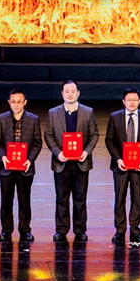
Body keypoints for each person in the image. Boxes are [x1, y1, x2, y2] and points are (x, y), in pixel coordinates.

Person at [44, 80, 100, 242]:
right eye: (66, 91)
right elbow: (48, 135)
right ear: (62, 93)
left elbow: (94, 134)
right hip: (61, 163)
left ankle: (80, 230)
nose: (70, 94)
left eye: (73, 91)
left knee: (80, 198)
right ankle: (61, 230)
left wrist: (86, 152)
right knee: (61, 198)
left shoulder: (87, 112)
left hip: (81, 163)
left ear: (78, 93)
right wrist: (58, 152)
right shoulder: (53, 113)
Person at [105, 87, 140, 244]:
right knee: (119, 198)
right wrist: (118, 159)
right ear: (123, 101)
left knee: (137, 198)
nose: (132, 102)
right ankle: (120, 230)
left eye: (135, 100)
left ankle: (135, 230)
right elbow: (109, 141)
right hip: (120, 165)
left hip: (139, 165)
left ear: (139, 101)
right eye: (129, 100)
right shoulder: (115, 117)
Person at [0, 88, 43, 242]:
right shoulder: (1, 119)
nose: (16, 104)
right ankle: (6, 230)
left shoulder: (33, 119)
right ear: (9, 102)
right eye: (13, 102)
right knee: (6, 200)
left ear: (25, 102)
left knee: (24, 200)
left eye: (19, 102)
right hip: (7, 167)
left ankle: (25, 230)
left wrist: (30, 160)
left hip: (25, 167)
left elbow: (37, 142)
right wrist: (3, 157)